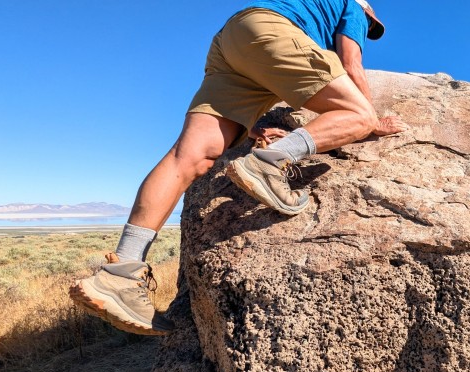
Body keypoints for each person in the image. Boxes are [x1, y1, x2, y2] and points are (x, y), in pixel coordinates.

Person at [69, 0, 407, 335]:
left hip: (232, 40)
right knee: (358, 116)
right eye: (370, 26)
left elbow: (265, 67)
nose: (367, 30)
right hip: (270, 29)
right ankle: (269, 163)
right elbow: (351, 62)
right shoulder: (354, 9)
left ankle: (122, 273)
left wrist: (254, 127)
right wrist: (372, 120)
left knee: (189, 157)